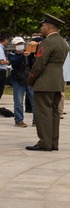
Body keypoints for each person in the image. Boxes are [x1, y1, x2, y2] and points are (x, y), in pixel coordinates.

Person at [26, 14, 69, 151]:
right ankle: (53, 143)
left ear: (49, 26)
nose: (41, 28)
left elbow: (39, 64)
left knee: (43, 113)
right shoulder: (63, 42)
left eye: (43, 26)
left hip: (45, 81)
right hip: (57, 81)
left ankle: (44, 143)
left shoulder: (47, 42)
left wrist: (31, 79)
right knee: (54, 113)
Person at [9, 36, 33, 128]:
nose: (20, 46)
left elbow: (32, 63)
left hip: (29, 78)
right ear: (14, 45)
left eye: (21, 44)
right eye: (18, 44)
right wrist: (23, 56)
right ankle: (19, 120)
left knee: (33, 100)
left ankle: (36, 120)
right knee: (18, 101)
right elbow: (13, 62)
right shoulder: (12, 54)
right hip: (17, 79)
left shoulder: (29, 53)